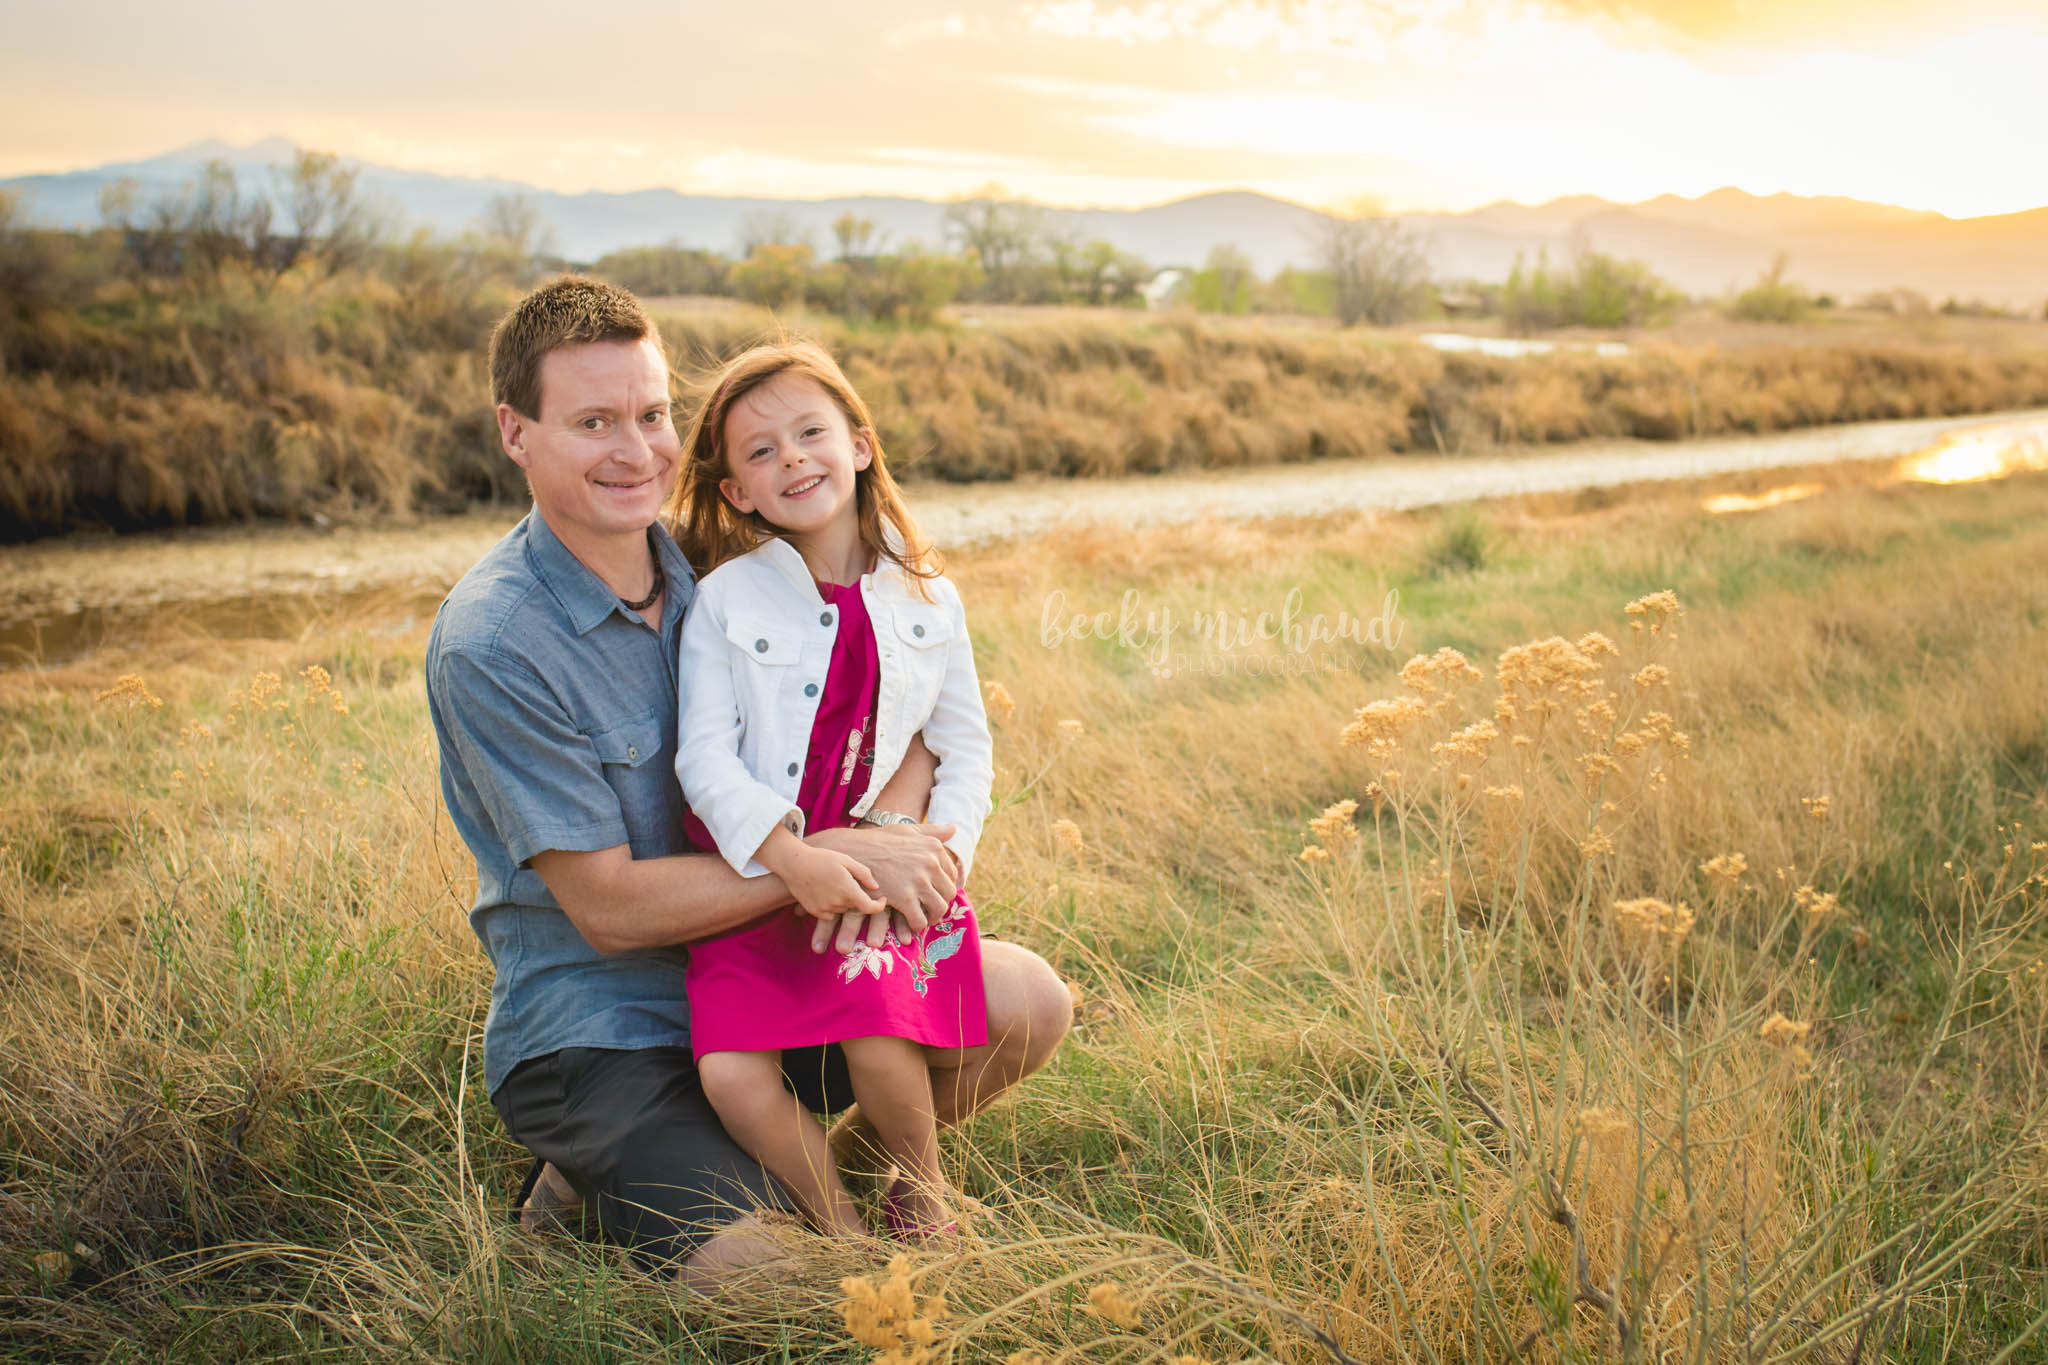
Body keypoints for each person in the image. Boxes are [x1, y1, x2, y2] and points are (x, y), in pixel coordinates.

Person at [424, 277, 1071, 1286]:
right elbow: (608, 913)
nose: (635, 451)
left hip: (774, 956)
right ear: (517, 433)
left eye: (651, 416)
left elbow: (910, 716)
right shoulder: (495, 644)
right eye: (593, 422)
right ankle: (602, 1172)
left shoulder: (721, 570)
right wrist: (820, 862)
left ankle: (828, 1191)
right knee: (785, 1288)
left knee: (1027, 1003)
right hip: (609, 1025)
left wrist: (894, 832)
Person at [669, 340, 991, 1241]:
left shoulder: (930, 596)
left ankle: (920, 1192)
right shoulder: (727, 600)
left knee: (878, 1037)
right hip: (753, 869)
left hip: (883, 870)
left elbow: (965, 746)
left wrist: (937, 862)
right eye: (761, 452)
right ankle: (840, 1230)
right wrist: (787, 857)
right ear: (738, 492)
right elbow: (703, 760)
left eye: (811, 432)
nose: (793, 458)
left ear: (859, 442)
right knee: (733, 1077)